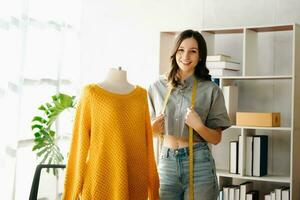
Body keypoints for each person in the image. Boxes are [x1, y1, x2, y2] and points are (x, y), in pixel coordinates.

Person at [148, 30, 231, 200]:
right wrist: (151, 129)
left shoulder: (211, 90)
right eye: (181, 50)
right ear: (174, 52)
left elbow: (216, 138)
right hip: (166, 163)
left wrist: (199, 126)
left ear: (200, 56)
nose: (186, 56)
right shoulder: (156, 87)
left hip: (199, 164)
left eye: (193, 51)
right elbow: (146, 134)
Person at [62, 67, 159, 200]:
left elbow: (147, 144)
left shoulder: (141, 95)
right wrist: (70, 193)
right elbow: (78, 145)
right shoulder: (91, 93)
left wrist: (153, 189)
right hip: (100, 180)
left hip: (135, 182)